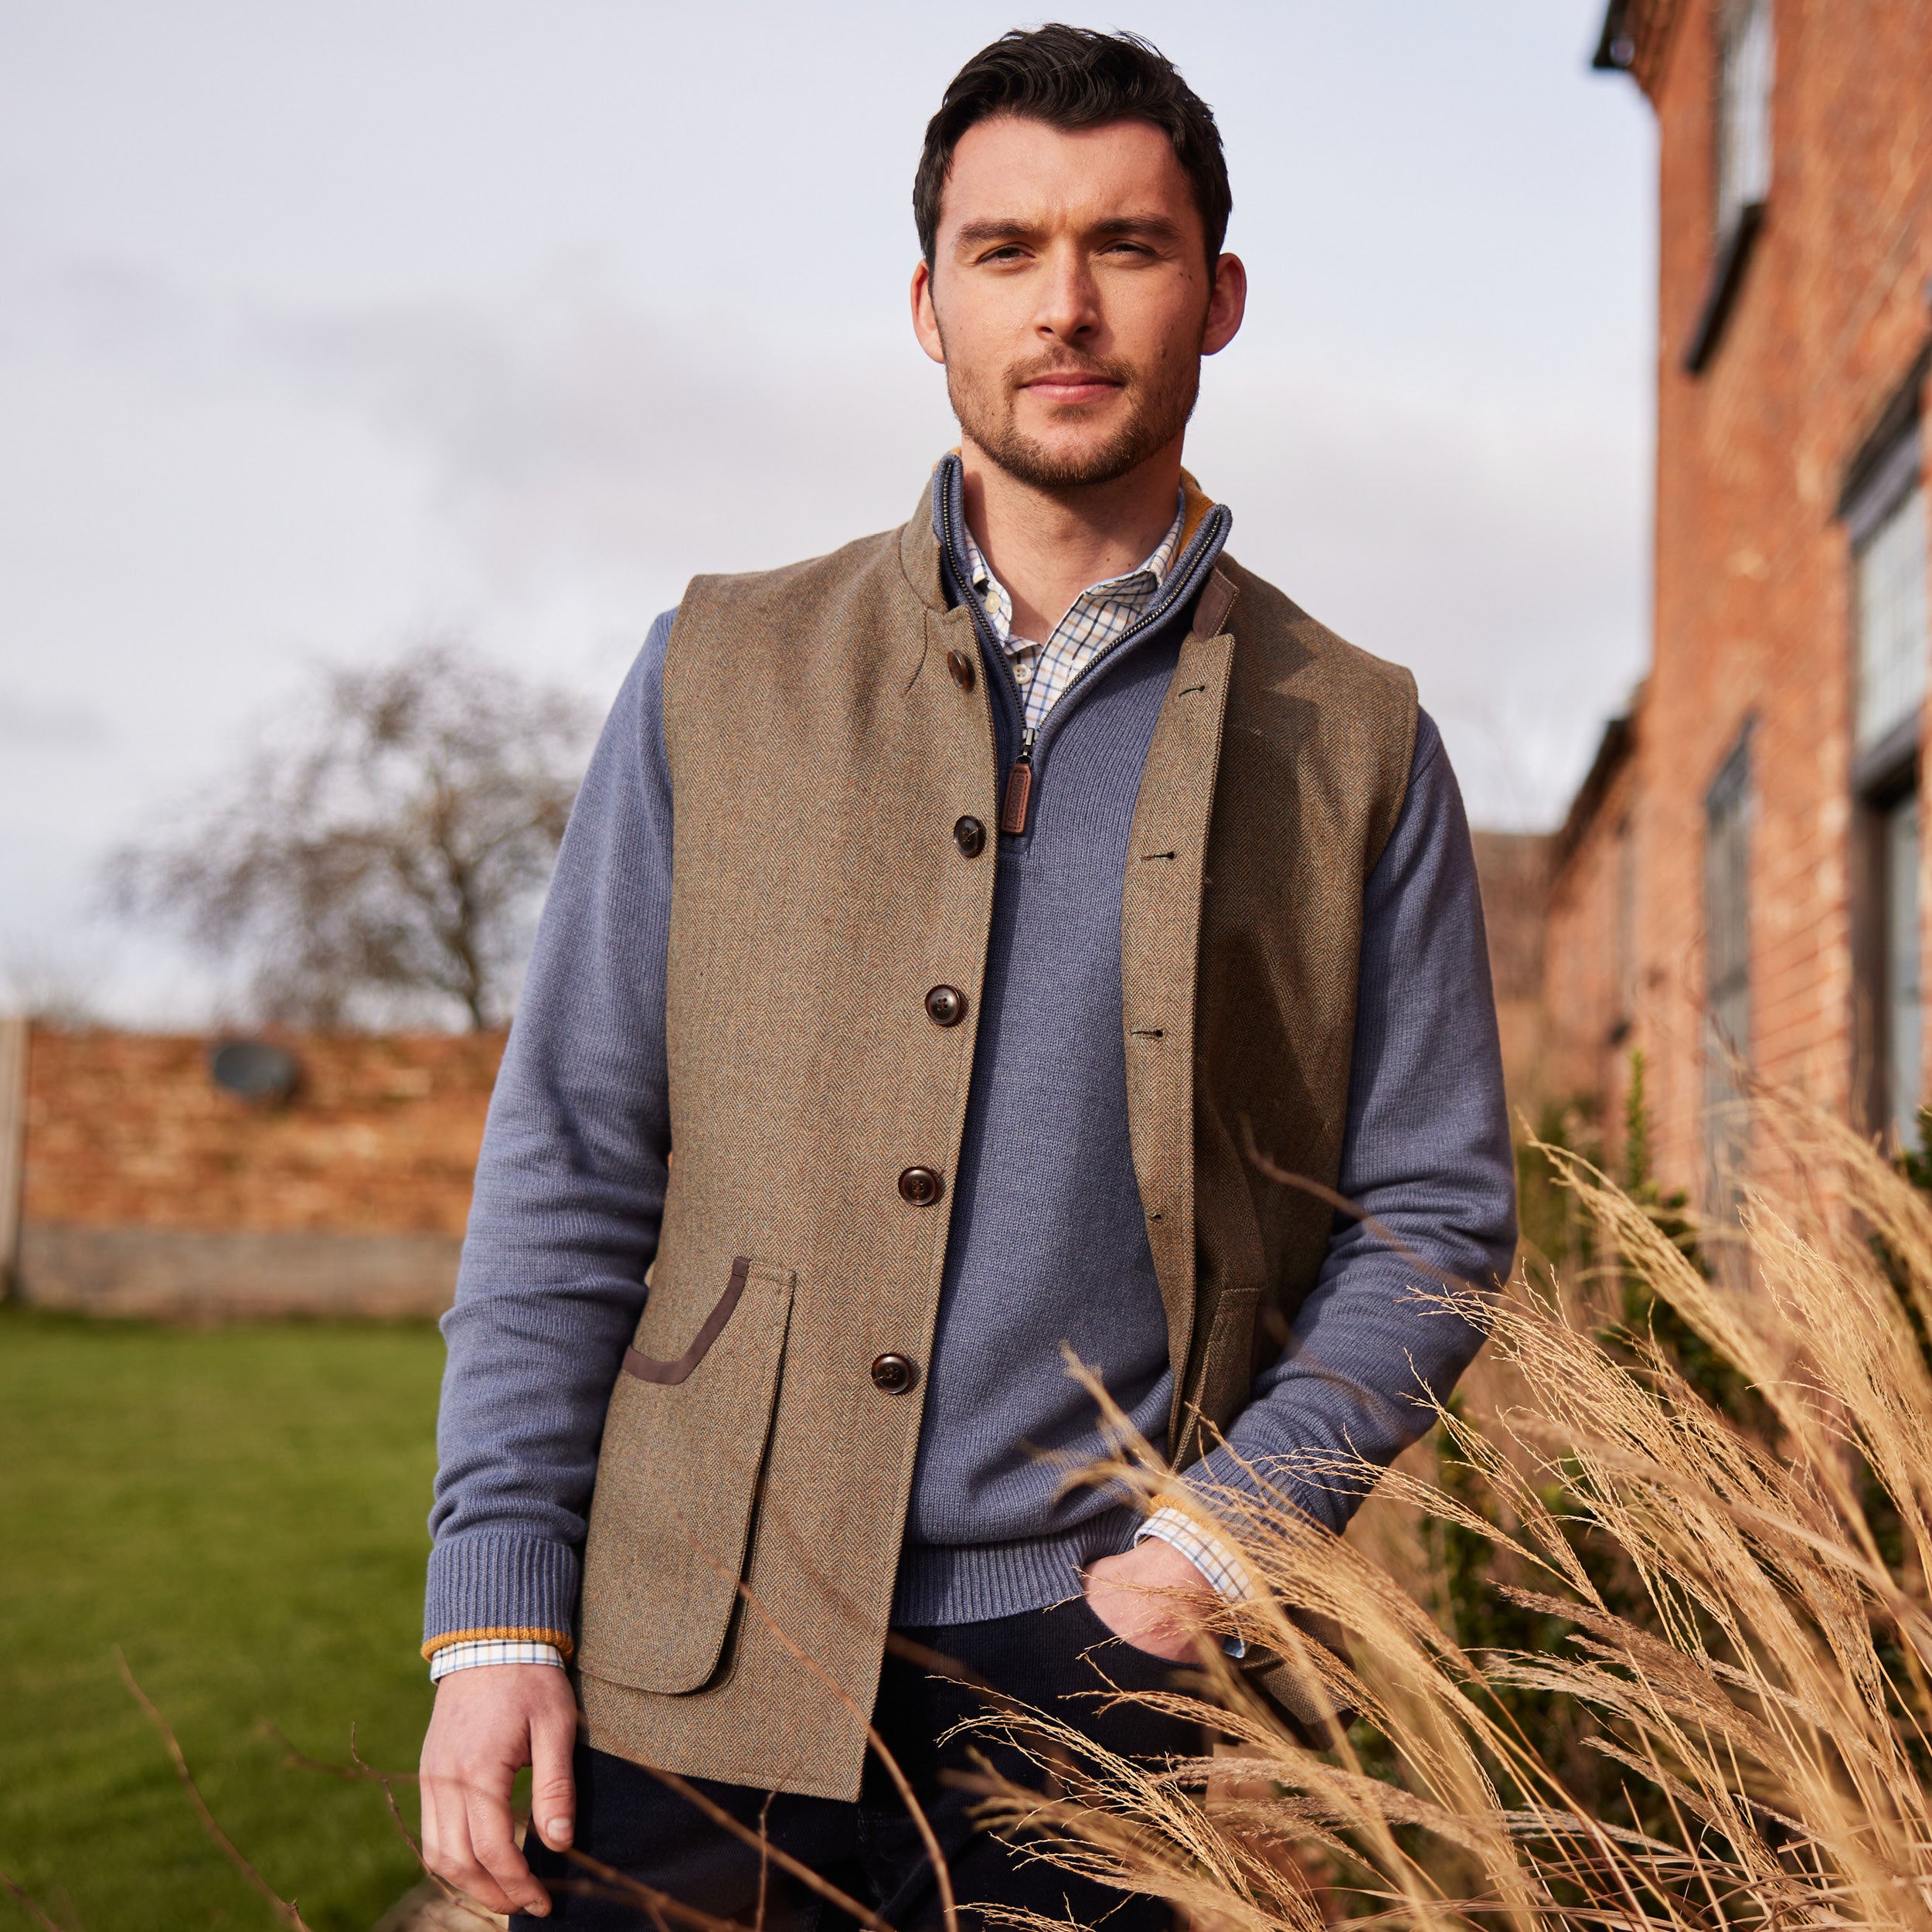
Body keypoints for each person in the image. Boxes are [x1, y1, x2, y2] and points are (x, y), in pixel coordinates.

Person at [417, 23, 1516, 1929]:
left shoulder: (1357, 737)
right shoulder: (716, 669)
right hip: (693, 1673)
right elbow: (576, 1149)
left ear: (1217, 295)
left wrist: (1207, 1557)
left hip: (1107, 1705)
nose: (1064, 307)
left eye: (1126, 247)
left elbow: (1430, 1216)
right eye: (1004, 251)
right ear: (926, 303)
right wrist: (495, 1601)